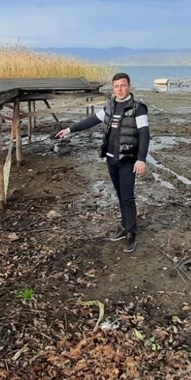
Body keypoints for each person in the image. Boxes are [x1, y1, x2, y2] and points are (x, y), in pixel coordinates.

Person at [56, 72, 150, 252]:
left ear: (129, 86)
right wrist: (70, 129)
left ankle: (131, 233)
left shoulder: (138, 108)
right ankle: (124, 226)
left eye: (123, 85)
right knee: (120, 194)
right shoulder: (110, 106)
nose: (120, 89)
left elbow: (145, 134)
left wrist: (141, 159)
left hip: (128, 159)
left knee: (127, 196)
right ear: (113, 88)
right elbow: (92, 120)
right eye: (116, 86)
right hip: (111, 158)